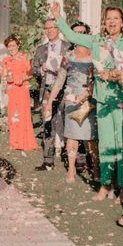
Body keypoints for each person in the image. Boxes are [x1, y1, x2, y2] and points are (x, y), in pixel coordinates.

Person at [51, 2, 123, 202]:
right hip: (103, 101)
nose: (112, 22)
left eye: (116, 18)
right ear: (104, 22)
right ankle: (105, 185)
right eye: (108, 19)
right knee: (105, 144)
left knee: (121, 145)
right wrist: (58, 16)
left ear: (122, 21)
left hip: (122, 100)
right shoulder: (97, 39)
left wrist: (113, 74)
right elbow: (71, 36)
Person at [45, 21, 99, 183]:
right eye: (75, 32)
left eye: (82, 32)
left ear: (87, 34)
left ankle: (96, 168)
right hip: (71, 100)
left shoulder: (95, 55)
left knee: (92, 138)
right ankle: (71, 169)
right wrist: (49, 102)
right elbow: (60, 81)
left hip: (90, 100)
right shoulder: (68, 57)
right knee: (72, 137)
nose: (79, 35)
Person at [32, 18, 70, 171]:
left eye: (52, 27)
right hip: (47, 90)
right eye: (46, 28)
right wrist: (41, 69)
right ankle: (48, 160)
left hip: (66, 90)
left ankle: (75, 160)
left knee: (69, 124)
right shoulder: (40, 49)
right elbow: (34, 70)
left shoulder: (68, 47)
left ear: (58, 29)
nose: (49, 30)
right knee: (48, 124)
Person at [1, 35, 39, 151]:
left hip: (22, 89)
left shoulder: (24, 57)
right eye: (9, 46)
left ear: (18, 45)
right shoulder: (6, 60)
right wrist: (8, 78)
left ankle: (26, 142)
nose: (11, 48)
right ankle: (15, 143)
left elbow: (31, 73)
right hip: (12, 90)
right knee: (13, 115)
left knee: (23, 114)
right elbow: (4, 75)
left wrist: (22, 78)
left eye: (13, 45)